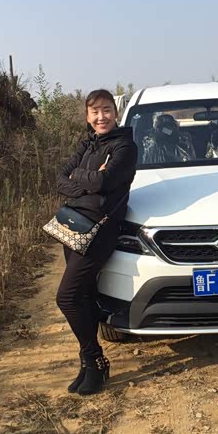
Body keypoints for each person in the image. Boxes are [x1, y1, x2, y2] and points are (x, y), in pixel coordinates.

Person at [55, 89, 138, 395]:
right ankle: (88, 365)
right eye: (94, 111)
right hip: (74, 223)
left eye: (106, 110)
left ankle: (96, 358)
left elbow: (105, 182)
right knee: (84, 295)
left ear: (115, 113)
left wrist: (82, 178)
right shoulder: (88, 143)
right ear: (87, 116)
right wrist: (87, 179)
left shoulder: (125, 146)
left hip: (99, 231)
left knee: (66, 297)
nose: (101, 117)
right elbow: (61, 179)